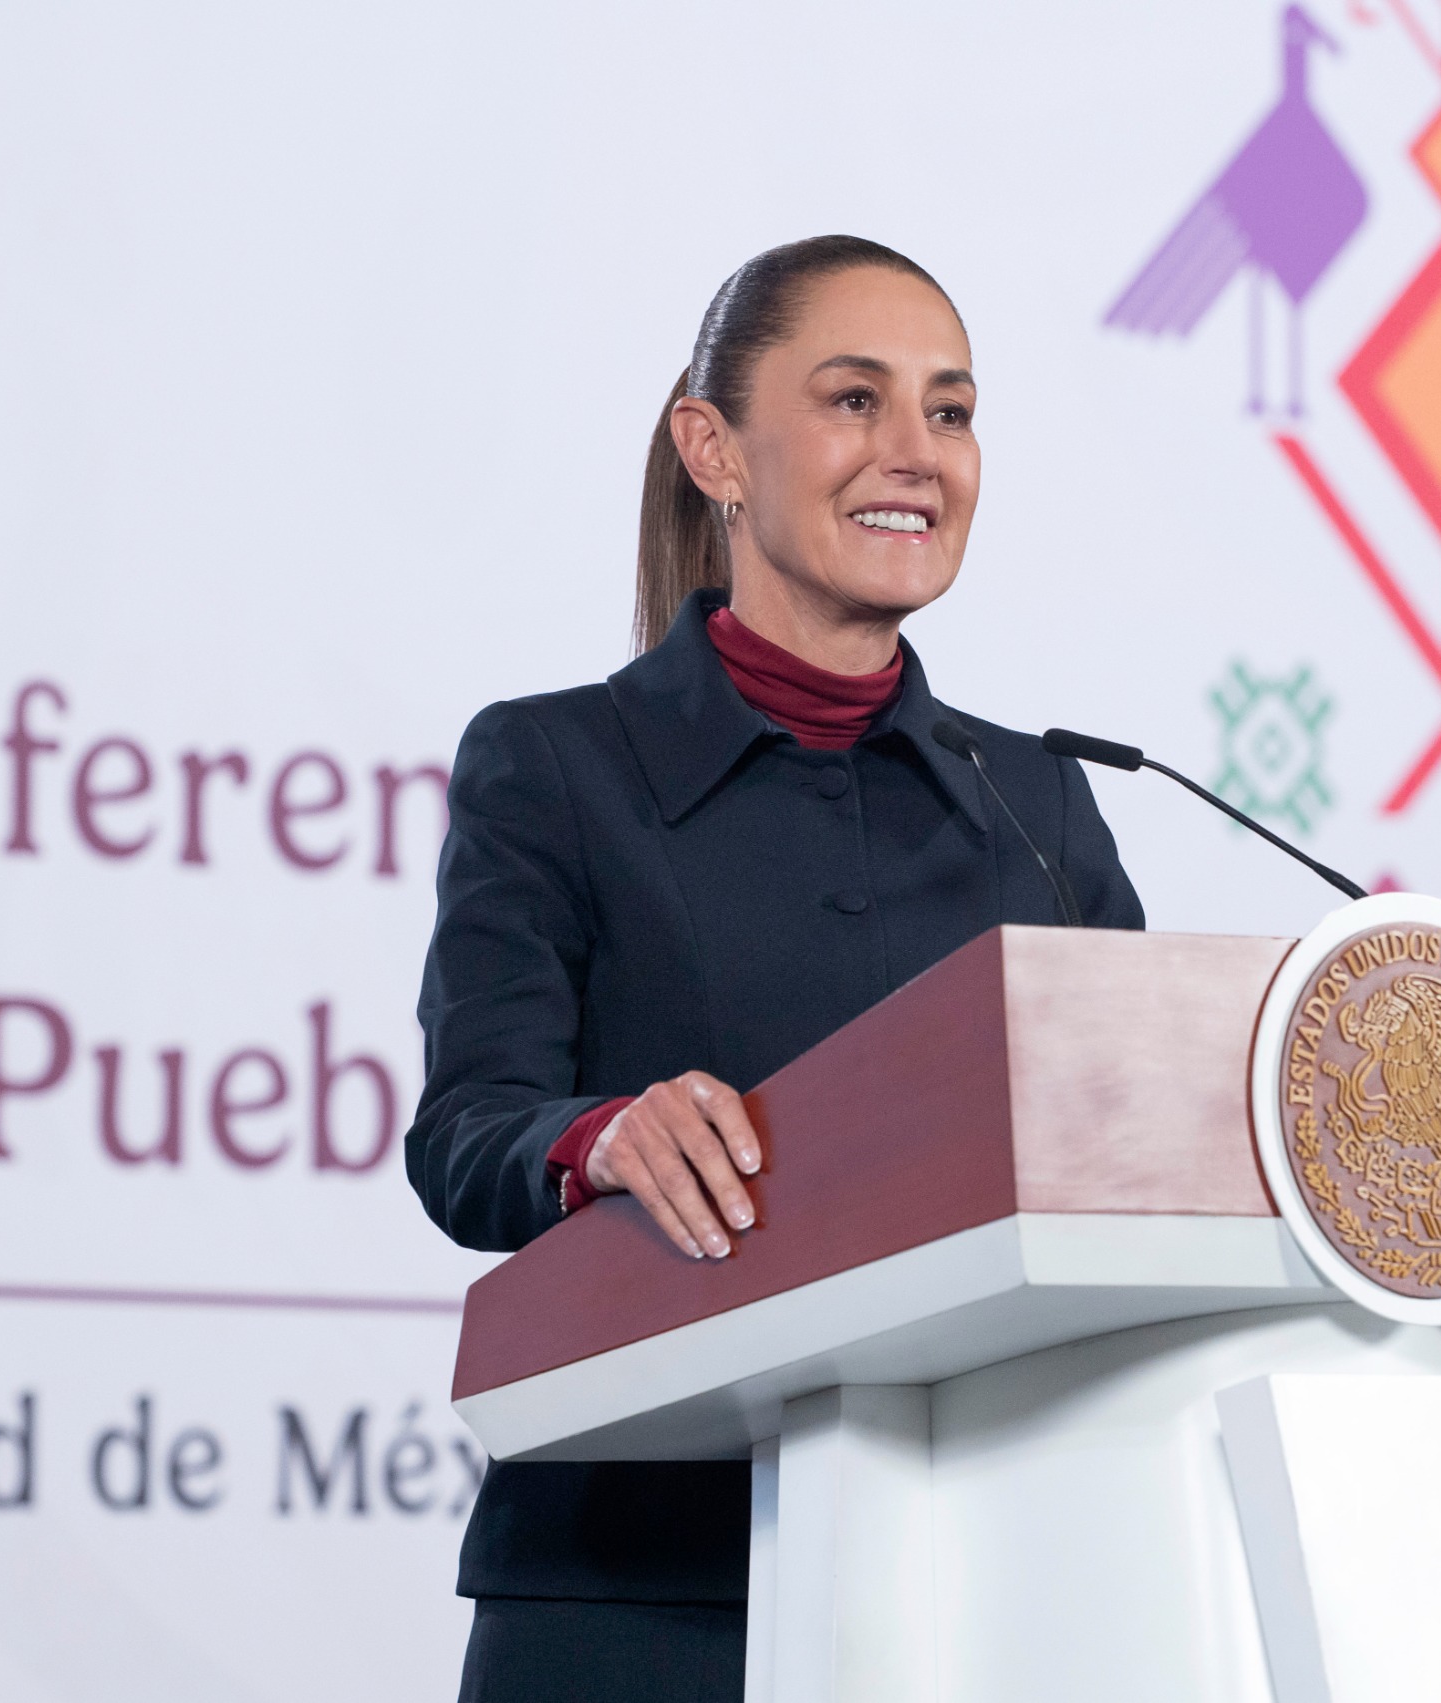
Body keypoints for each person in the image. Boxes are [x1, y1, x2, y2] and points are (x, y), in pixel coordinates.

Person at [405, 234, 1145, 1703]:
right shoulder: (555, 765)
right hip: (638, 1594)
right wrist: (601, 1138)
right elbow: (466, 1133)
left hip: (983, 1588)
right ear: (715, 450)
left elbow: (1137, 1152)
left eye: (950, 410)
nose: (917, 452)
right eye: (856, 399)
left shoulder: (1042, 805)